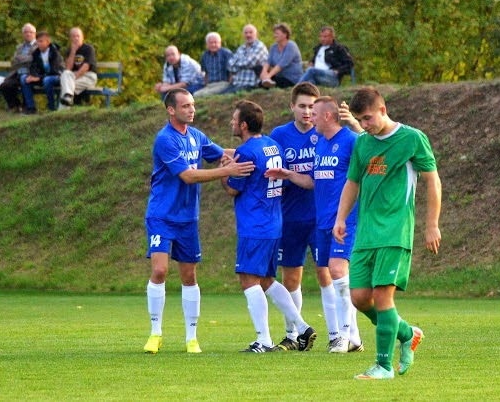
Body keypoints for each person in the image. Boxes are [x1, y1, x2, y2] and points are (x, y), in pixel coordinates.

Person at [334, 87, 441, 379]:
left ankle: (383, 366)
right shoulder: (363, 144)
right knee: (359, 298)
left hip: (395, 231)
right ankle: (406, 333)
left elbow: (432, 181)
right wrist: (341, 218)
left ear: (382, 110)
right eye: (359, 119)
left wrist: (431, 224)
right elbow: (352, 183)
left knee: (382, 296)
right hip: (366, 233)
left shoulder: (412, 139)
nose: (364, 124)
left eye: (367, 118)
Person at [143, 88, 256, 355]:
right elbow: (188, 176)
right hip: (162, 215)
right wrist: (226, 171)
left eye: (192, 105)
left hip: (187, 218)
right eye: (185, 106)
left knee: (189, 275)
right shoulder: (165, 139)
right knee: (159, 271)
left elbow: (222, 152)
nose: (191, 110)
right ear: (171, 110)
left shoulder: (196, 136)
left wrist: (258, 149)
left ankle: (191, 338)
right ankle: (155, 333)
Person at [265, 96, 364, 354]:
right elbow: (312, 181)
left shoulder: (351, 141)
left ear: (328, 117)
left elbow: (374, 152)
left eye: (316, 114)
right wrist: (287, 174)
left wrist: (356, 122)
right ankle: (352, 337)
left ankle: (343, 335)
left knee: (338, 272)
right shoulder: (320, 143)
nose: (311, 117)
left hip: (345, 220)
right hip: (323, 223)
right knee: (331, 274)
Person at [221, 100, 317, 353]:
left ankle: (263, 340)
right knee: (266, 280)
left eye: (234, 119)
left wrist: (224, 171)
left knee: (248, 280)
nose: (231, 122)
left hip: (255, 224)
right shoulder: (273, 145)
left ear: (243, 124)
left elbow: (232, 188)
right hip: (274, 223)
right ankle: (303, 326)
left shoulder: (246, 152)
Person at [21, 32, 65, 113]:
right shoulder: (36, 53)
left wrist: (39, 77)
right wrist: (32, 76)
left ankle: (51, 108)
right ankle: (31, 108)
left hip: (56, 77)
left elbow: (55, 70)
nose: (39, 44)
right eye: (37, 42)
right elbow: (33, 67)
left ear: (48, 42)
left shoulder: (55, 53)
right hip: (42, 77)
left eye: (41, 41)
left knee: (47, 80)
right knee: (24, 78)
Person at [0, 23, 37, 112]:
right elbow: (14, 61)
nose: (28, 34)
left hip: (31, 74)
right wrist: (26, 58)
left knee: (25, 82)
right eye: (26, 32)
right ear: (23, 34)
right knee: (5, 86)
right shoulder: (19, 47)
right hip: (17, 73)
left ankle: (26, 106)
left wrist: (21, 58)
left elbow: (33, 60)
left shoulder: (38, 46)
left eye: (30, 32)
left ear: (34, 34)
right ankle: (15, 106)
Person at [59, 27, 97, 109]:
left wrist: (73, 77)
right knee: (66, 77)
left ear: (82, 37)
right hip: (73, 77)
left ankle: (61, 114)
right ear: (70, 38)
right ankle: (68, 97)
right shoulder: (69, 50)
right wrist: (73, 51)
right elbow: (68, 68)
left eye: (78, 36)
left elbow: (86, 67)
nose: (76, 38)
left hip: (88, 77)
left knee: (66, 86)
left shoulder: (88, 48)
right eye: (73, 36)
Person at [225, 24, 268, 93]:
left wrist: (238, 64)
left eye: (251, 32)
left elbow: (250, 63)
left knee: (226, 97)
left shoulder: (260, 46)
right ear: (243, 35)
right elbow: (230, 66)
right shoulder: (241, 48)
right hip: (237, 83)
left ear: (256, 34)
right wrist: (243, 64)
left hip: (251, 84)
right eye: (246, 33)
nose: (248, 35)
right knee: (217, 96)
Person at [259, 23, 303, 89]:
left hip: (291, 78)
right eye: (274, 33)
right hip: (278, 76)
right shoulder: (273, 47)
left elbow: (282, 64)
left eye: (277, 33)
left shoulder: (291, 46)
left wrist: (269, 75)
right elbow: (268, 61)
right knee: (260, 83)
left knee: (277, 83)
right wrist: (264, 72)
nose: (274, 35)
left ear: (285, 34)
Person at [194, 32, 233, 97]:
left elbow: (232, 72)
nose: (213, 45)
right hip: (210, 85)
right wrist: (206, 84)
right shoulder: (205, 55)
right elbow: (206, 73)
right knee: (195, 95)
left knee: (205, 95)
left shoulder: (226, 53)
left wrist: (229, 85)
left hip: (223, 83)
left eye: (215, 42)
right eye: (211, 43)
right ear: (207, 44)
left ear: (220, 43)